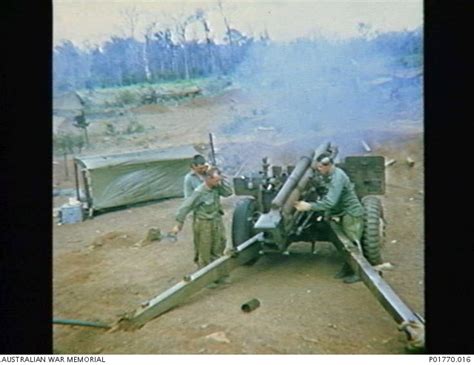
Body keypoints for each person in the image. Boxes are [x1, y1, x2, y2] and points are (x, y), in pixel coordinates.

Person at [294, 152, 364, 284]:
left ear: (328, 165)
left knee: (353, 243)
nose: (318, 170)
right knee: (344, 243)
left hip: (350, 213)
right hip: (340, 212)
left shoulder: (338, 177)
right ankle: (348, 267)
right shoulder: (329, 175)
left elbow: (330, 202)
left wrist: (309, 206)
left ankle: (359, 272)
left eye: (320, 167)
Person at [171, 167, 233, 287]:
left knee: (219, 246)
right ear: (208, 179)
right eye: (216, 180)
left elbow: (228, 193)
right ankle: (206, 279)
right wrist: (179, 223)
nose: (217, 183)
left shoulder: (216, 188)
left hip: (216, 220)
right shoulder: (199, 192)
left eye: (218, 180)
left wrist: (222, 181)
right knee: (205, 251)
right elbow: (186, 207)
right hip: (204, 223)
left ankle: (219, 276)